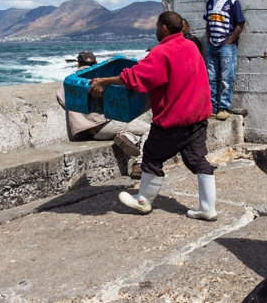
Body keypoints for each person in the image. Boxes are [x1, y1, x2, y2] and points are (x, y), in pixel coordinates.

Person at [89, 11, 218, 221]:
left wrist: (104, 81)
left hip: (174, 119)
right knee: (198, 161)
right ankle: (208, 208)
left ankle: (143, 200)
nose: (156, 30)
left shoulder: (162, 52)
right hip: (197, 116)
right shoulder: (190, 46)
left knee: (151, 157)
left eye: (157, 27)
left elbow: (136, 77)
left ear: (164, 28)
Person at [56, 50, 149, 179]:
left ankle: (127, 137)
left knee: (130, 131)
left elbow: (63, 100)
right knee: (149, 130)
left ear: (78, 64)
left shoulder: (70, 82)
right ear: (96, 63)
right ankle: (139, 164)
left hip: (86, 131)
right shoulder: (101, 79)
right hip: (105, 124)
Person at [204, 0, 246, 121]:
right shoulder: (209, 1)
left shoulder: (233, 1)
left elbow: (240, 24)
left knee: (227, 78)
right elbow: (208, 22)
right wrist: (209, 39)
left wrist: (229, 41)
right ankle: (212, 108)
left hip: (226, 45)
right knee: (211, 77)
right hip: (212, 45)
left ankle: (224, 108)